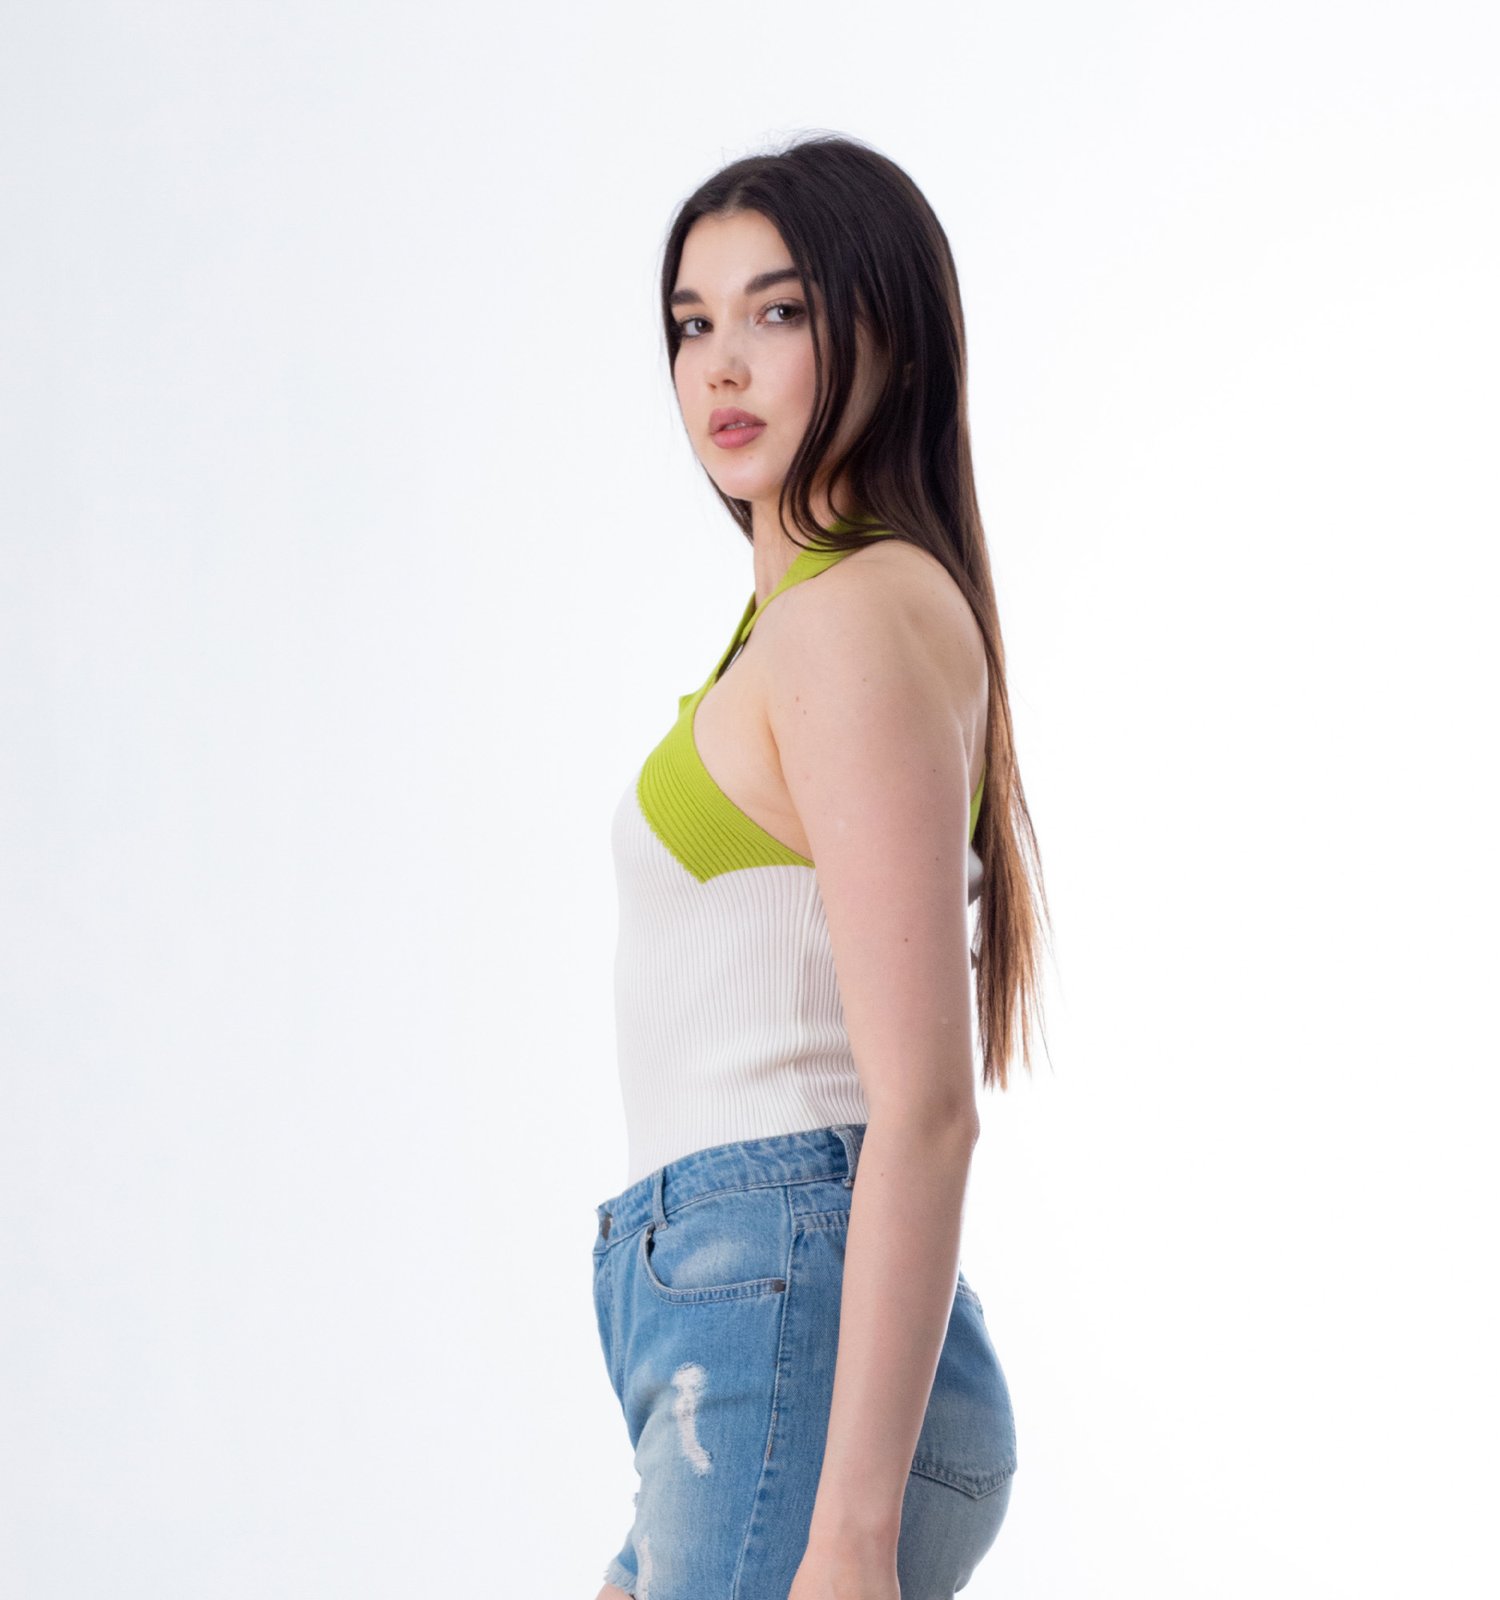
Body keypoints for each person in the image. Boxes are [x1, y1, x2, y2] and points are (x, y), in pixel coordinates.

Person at [589, 133, 1051, 1600]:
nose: (720, 365)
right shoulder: (810, 617)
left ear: (887, 335)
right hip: (738, 1330)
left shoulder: (848, 615)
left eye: (777, 311)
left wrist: (850, 1536)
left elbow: (923, 1107)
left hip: (778, 1317)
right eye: (692, 323)